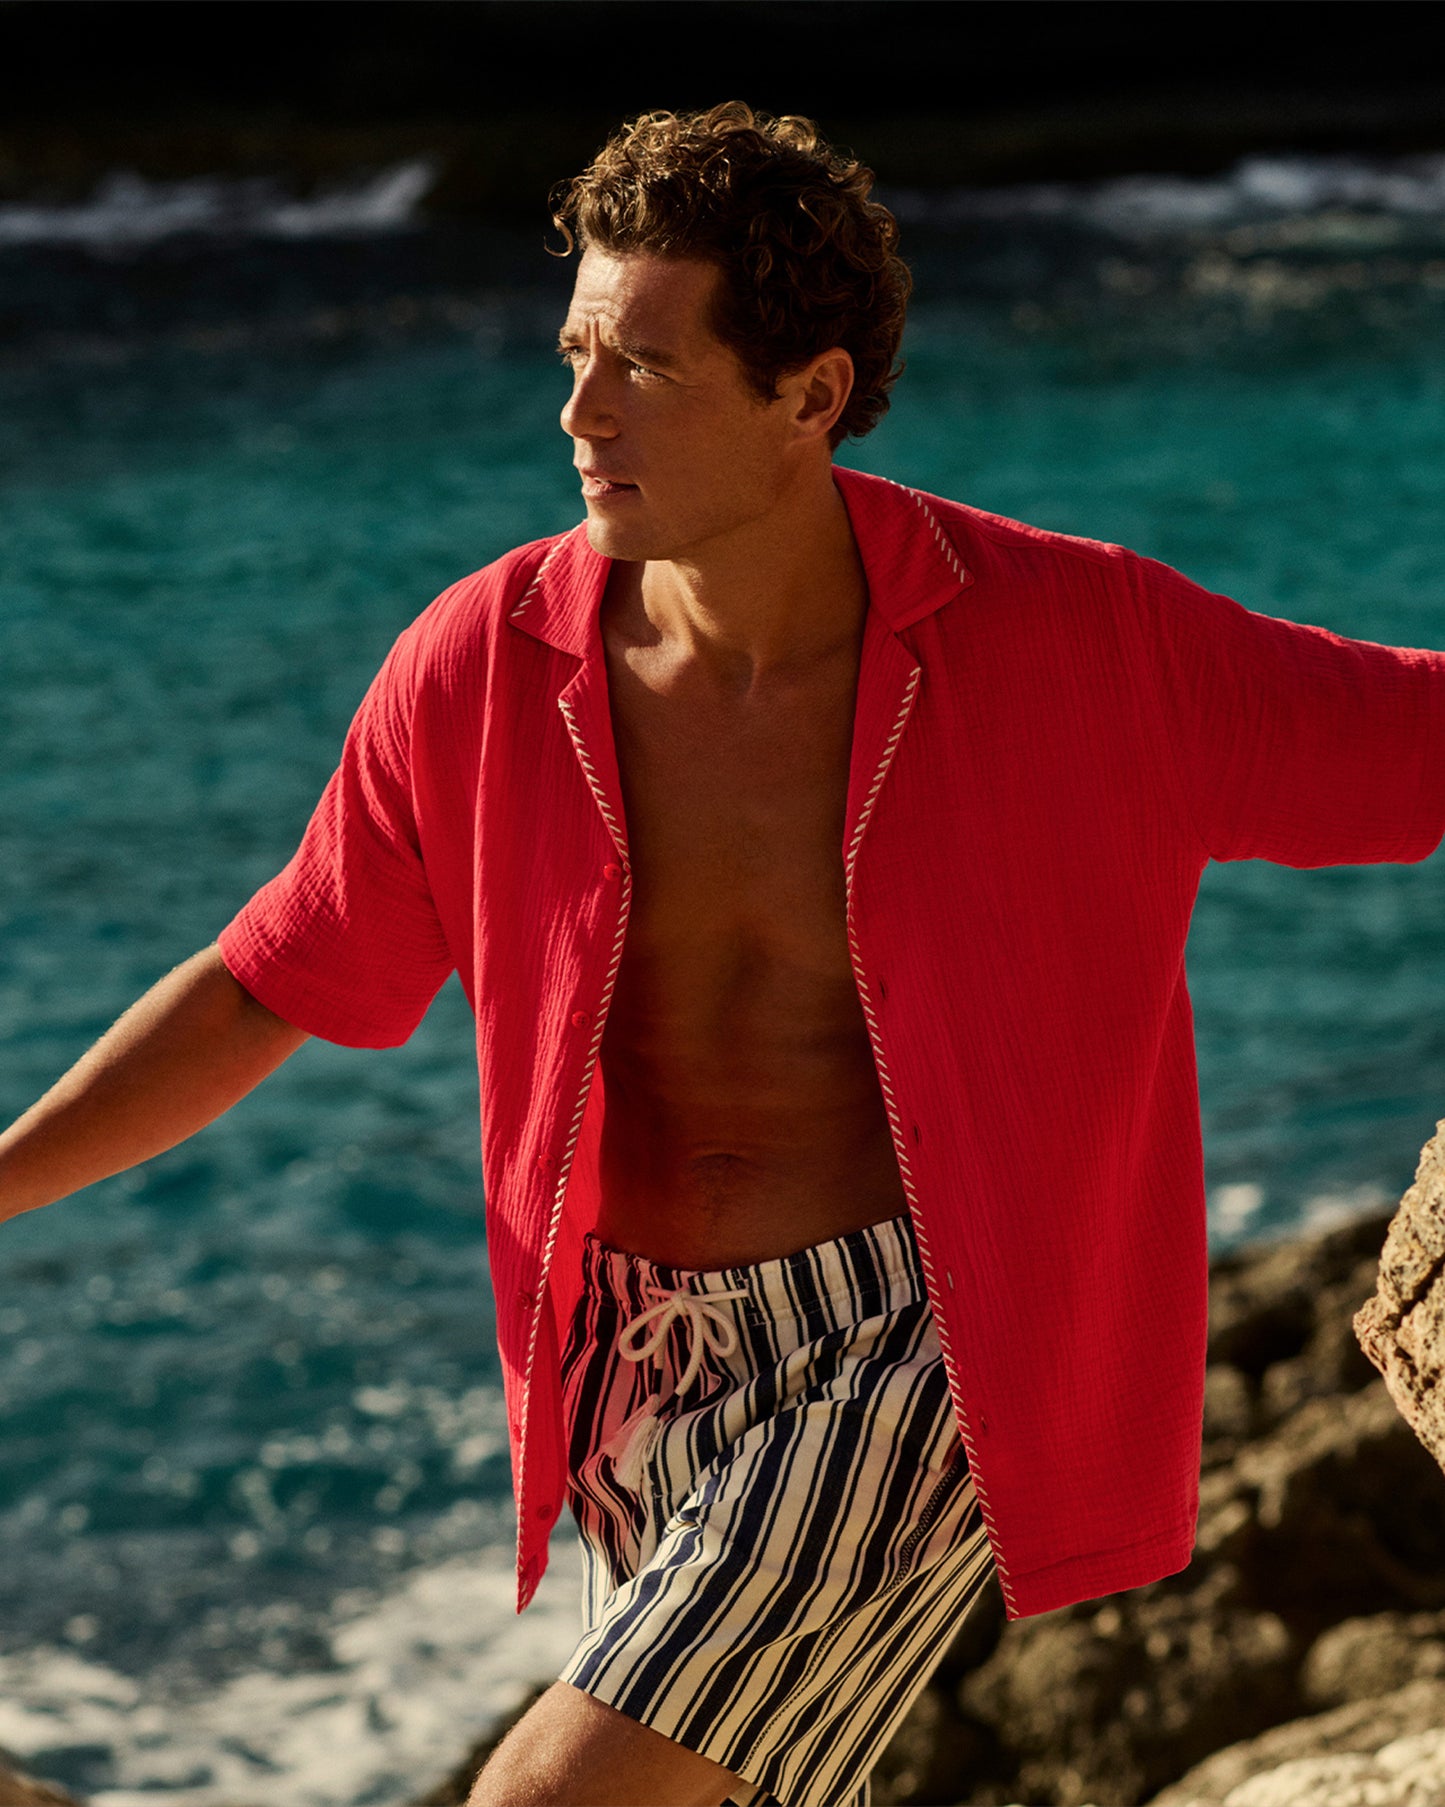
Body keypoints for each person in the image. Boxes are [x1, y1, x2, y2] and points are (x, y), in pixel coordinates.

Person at [3, 101, 1445, 1807]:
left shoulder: (1078, 642)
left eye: (648, 370)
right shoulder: (485, 666)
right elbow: (273, 975)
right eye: (574, 353)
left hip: (929, 1343)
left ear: (810, 397)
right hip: (635, 1361)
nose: (579, 412)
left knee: (542, 1802)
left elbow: (1412, 742)